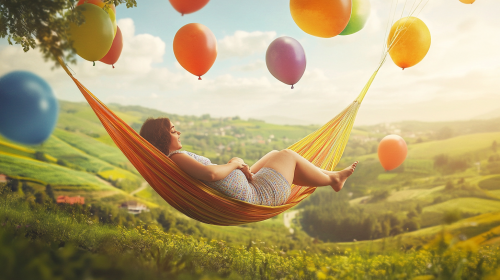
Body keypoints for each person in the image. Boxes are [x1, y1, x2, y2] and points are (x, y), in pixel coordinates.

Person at [139, 117, 358, 206]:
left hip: (250, 188)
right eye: (174, 131)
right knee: (287, 156)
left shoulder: (173, 160)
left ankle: (332, 177)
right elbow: (211, 175)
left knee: (275, 153)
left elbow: (211, 176)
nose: (179, 133)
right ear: (162, 137)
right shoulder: (177, 157)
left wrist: (238, 166)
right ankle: (333, 178)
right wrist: (234, 164)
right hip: (259, 196)